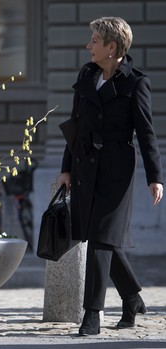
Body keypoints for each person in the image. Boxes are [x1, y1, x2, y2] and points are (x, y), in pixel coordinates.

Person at [57, 17, 163, 336]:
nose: (88, 46)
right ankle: (131, 298)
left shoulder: (136, 83)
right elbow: (74, 125)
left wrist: (155, 176)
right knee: (99, 236)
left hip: (117, 170)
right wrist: (65, 168)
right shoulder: (87, 75)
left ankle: (92, 313)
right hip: (85, 166)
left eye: (94, 41)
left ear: (111, 47)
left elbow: (146, 133)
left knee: (102, 239)